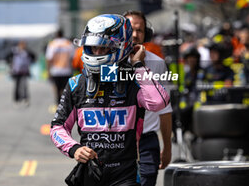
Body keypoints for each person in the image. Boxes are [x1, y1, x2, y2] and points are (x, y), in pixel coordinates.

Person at [50, 14, 170, 186]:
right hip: (90, 172)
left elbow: (159, 102)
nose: (97, 53)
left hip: (125, 175)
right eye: (93, 47)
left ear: (121, 48)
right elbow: (58, 127)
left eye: (104, 48)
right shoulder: (76, 84)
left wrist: (138, 66)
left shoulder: (134, 81)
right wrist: (74, 148)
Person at [123, 10, 173, 186]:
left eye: (140, 30)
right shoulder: (109, 64)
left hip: (147, 142)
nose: (135, 35)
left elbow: (165, 109)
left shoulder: (157, 63)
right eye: (130, 29)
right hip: (117, 141)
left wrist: (167, 147)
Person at [45, 29, 75, 105]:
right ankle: (64, 104)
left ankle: (57, 104)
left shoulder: (52, 44)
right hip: (66, 70)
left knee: (56, 89)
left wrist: (48, 71)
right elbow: (72, 58)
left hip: (55, 71)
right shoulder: (68, 44)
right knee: (65, 89)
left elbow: (49, 59)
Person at [5, 40, 36, 106]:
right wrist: (10, 64)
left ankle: (25, 99)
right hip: (16, 71)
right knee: (17, 85)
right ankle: (17, 99)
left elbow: (34, 57)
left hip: (25, 71)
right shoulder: (15, 51)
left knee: (25, 85)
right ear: (19, 45)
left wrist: (30, 62)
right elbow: (7, 57)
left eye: (24, 45)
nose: (23, 46)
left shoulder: (27, 51)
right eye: (22, 45)